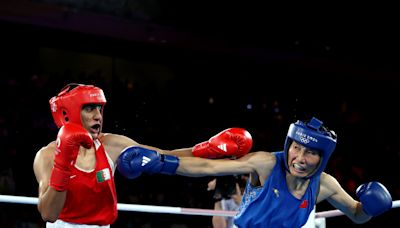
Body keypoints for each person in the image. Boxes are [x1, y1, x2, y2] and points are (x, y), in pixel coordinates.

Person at [33, 83, 253, 227]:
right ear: (68, 112)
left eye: (100, 109)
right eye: (89, 108)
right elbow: (48, 213)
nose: (98, 115)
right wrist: (64, 162)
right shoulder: (47, 156)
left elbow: (163, 155)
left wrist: (208, 149)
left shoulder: (111, 145)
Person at [116, 117, 393, 227]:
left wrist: (370, 206)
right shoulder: (266, 163)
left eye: (310, 153)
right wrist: (163, 162)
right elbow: (209, 167)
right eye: (296, 148)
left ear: (322, 158)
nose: (299, 158)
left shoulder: (325, 184)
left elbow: (357, 214)